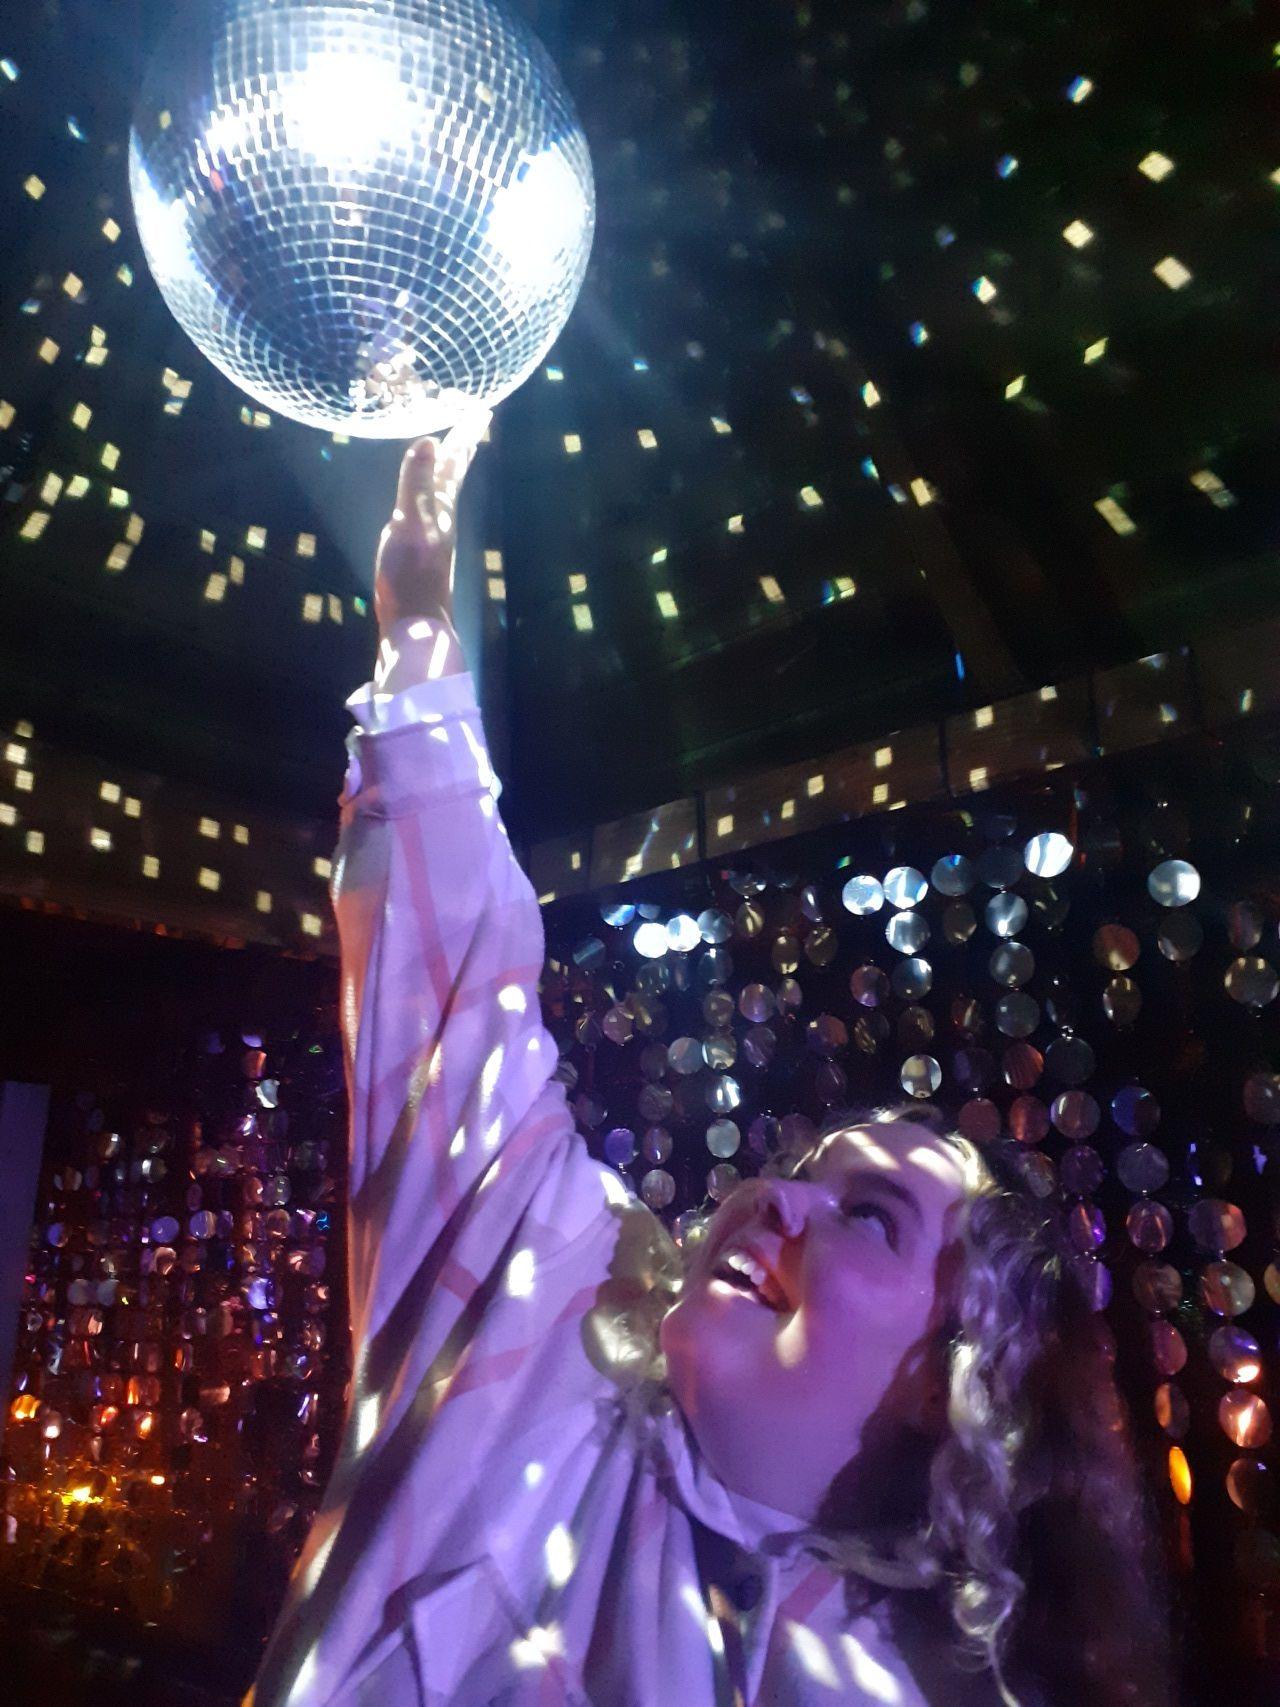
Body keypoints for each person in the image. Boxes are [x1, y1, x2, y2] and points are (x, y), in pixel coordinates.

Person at [246, 427, 1172, 1707]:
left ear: (947, 1385)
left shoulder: (907, 1687)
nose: (773, 1197)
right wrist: (413, 626)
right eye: (804, 1169)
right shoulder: (545, 1310)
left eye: (868, 1218)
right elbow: (455, 994)